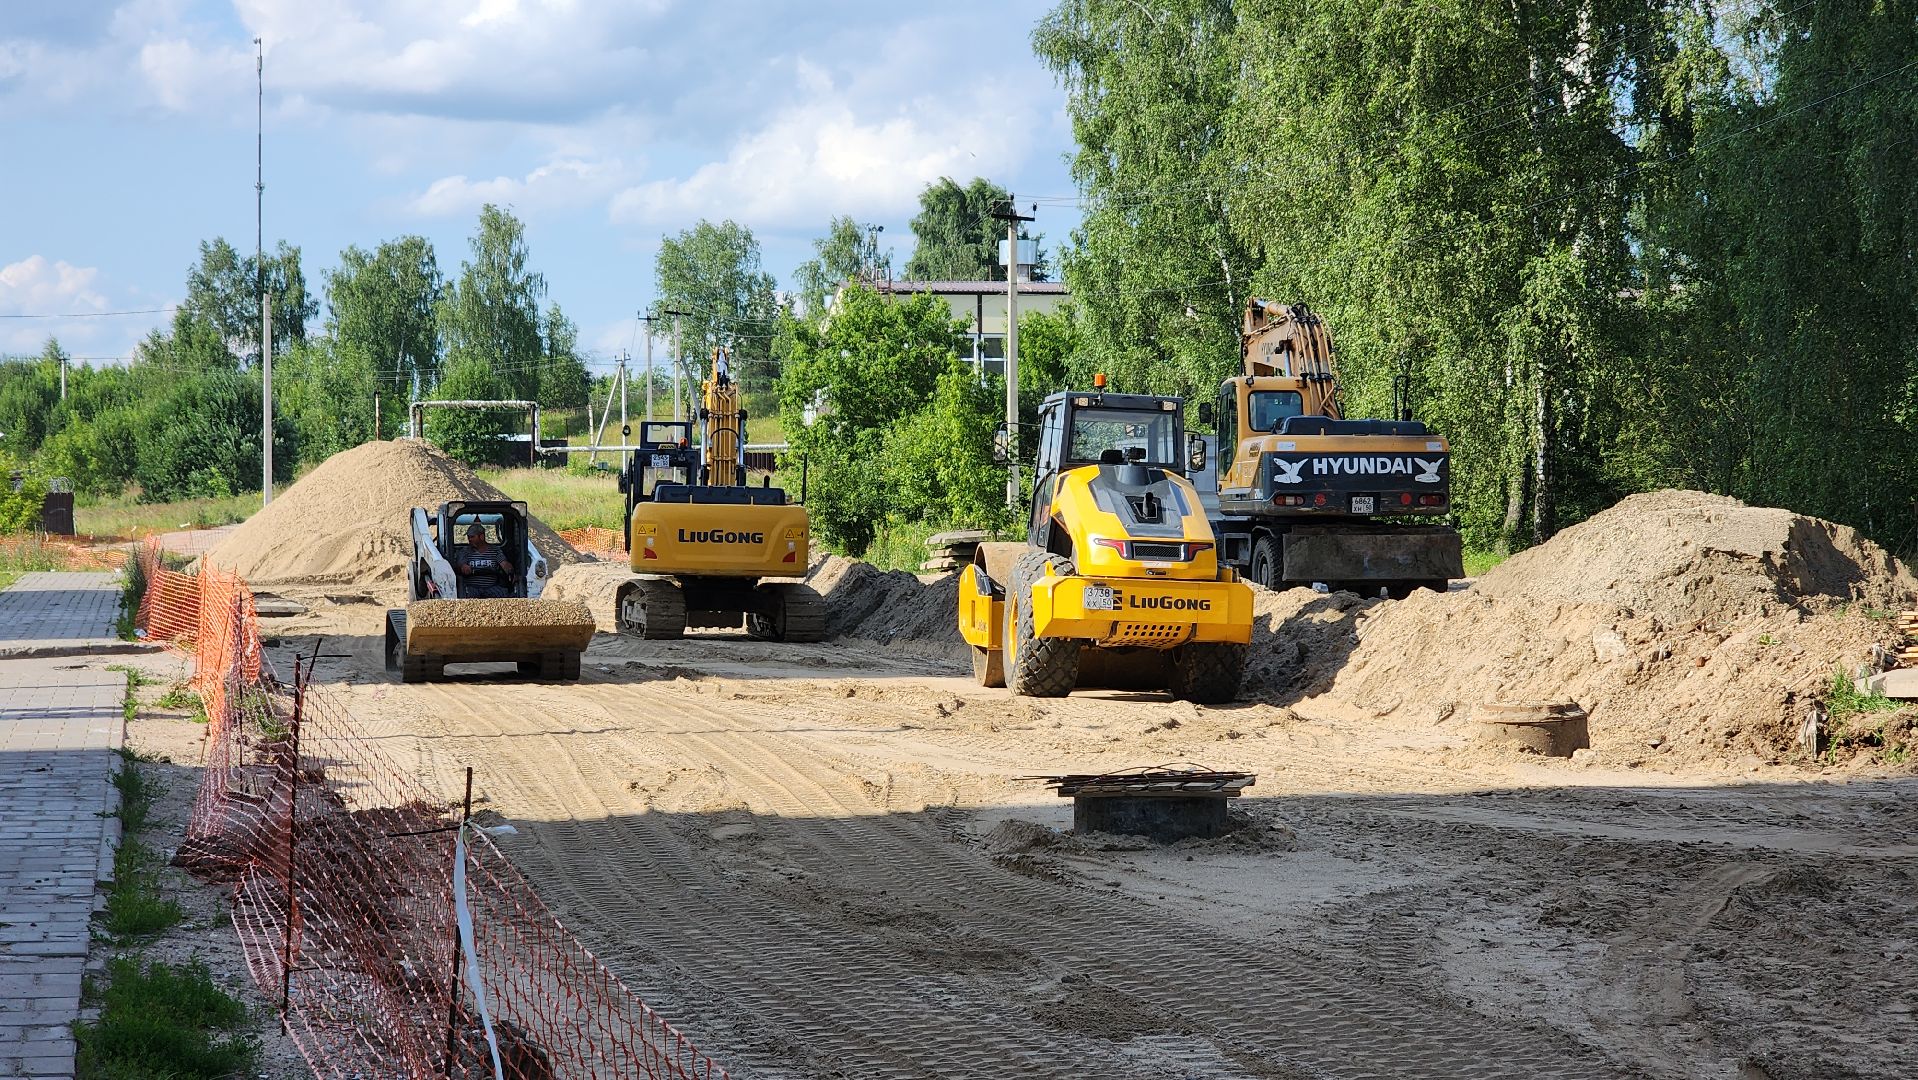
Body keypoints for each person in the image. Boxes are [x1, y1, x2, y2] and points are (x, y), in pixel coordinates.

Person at [455, 523, 515, 599]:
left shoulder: (495, 550)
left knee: (504, 596)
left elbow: (504, 563)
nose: (469, 539)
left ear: (482, 537)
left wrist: (509, 569)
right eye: (468, 537)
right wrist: (463, 567)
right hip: (472, 588)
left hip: (492, 587)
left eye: (472, 537)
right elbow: (460, 565)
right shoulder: (465, 551)